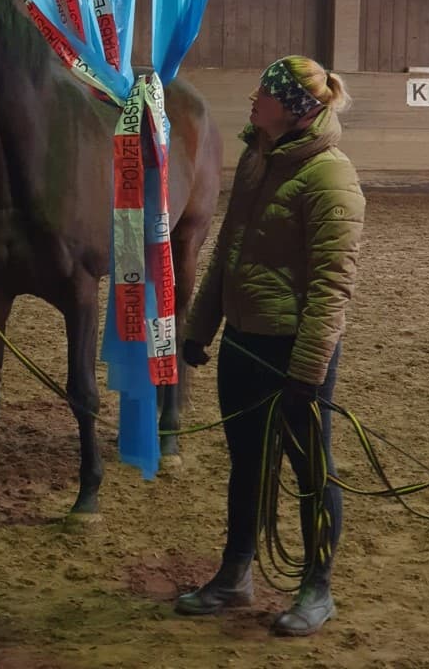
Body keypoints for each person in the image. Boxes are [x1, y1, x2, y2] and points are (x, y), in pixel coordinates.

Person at [175, 55, 365, 637]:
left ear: (296, 107)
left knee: (313, 470)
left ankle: (317, 586)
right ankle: (236, 574)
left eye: (266, 91)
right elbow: (229, 251)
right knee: (247, 466)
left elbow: (334, 288)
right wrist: (201, 328)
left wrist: (306, 373)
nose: (254, 96)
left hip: (294, 354)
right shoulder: (259, 161)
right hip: (243, 343)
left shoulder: (332, 177)